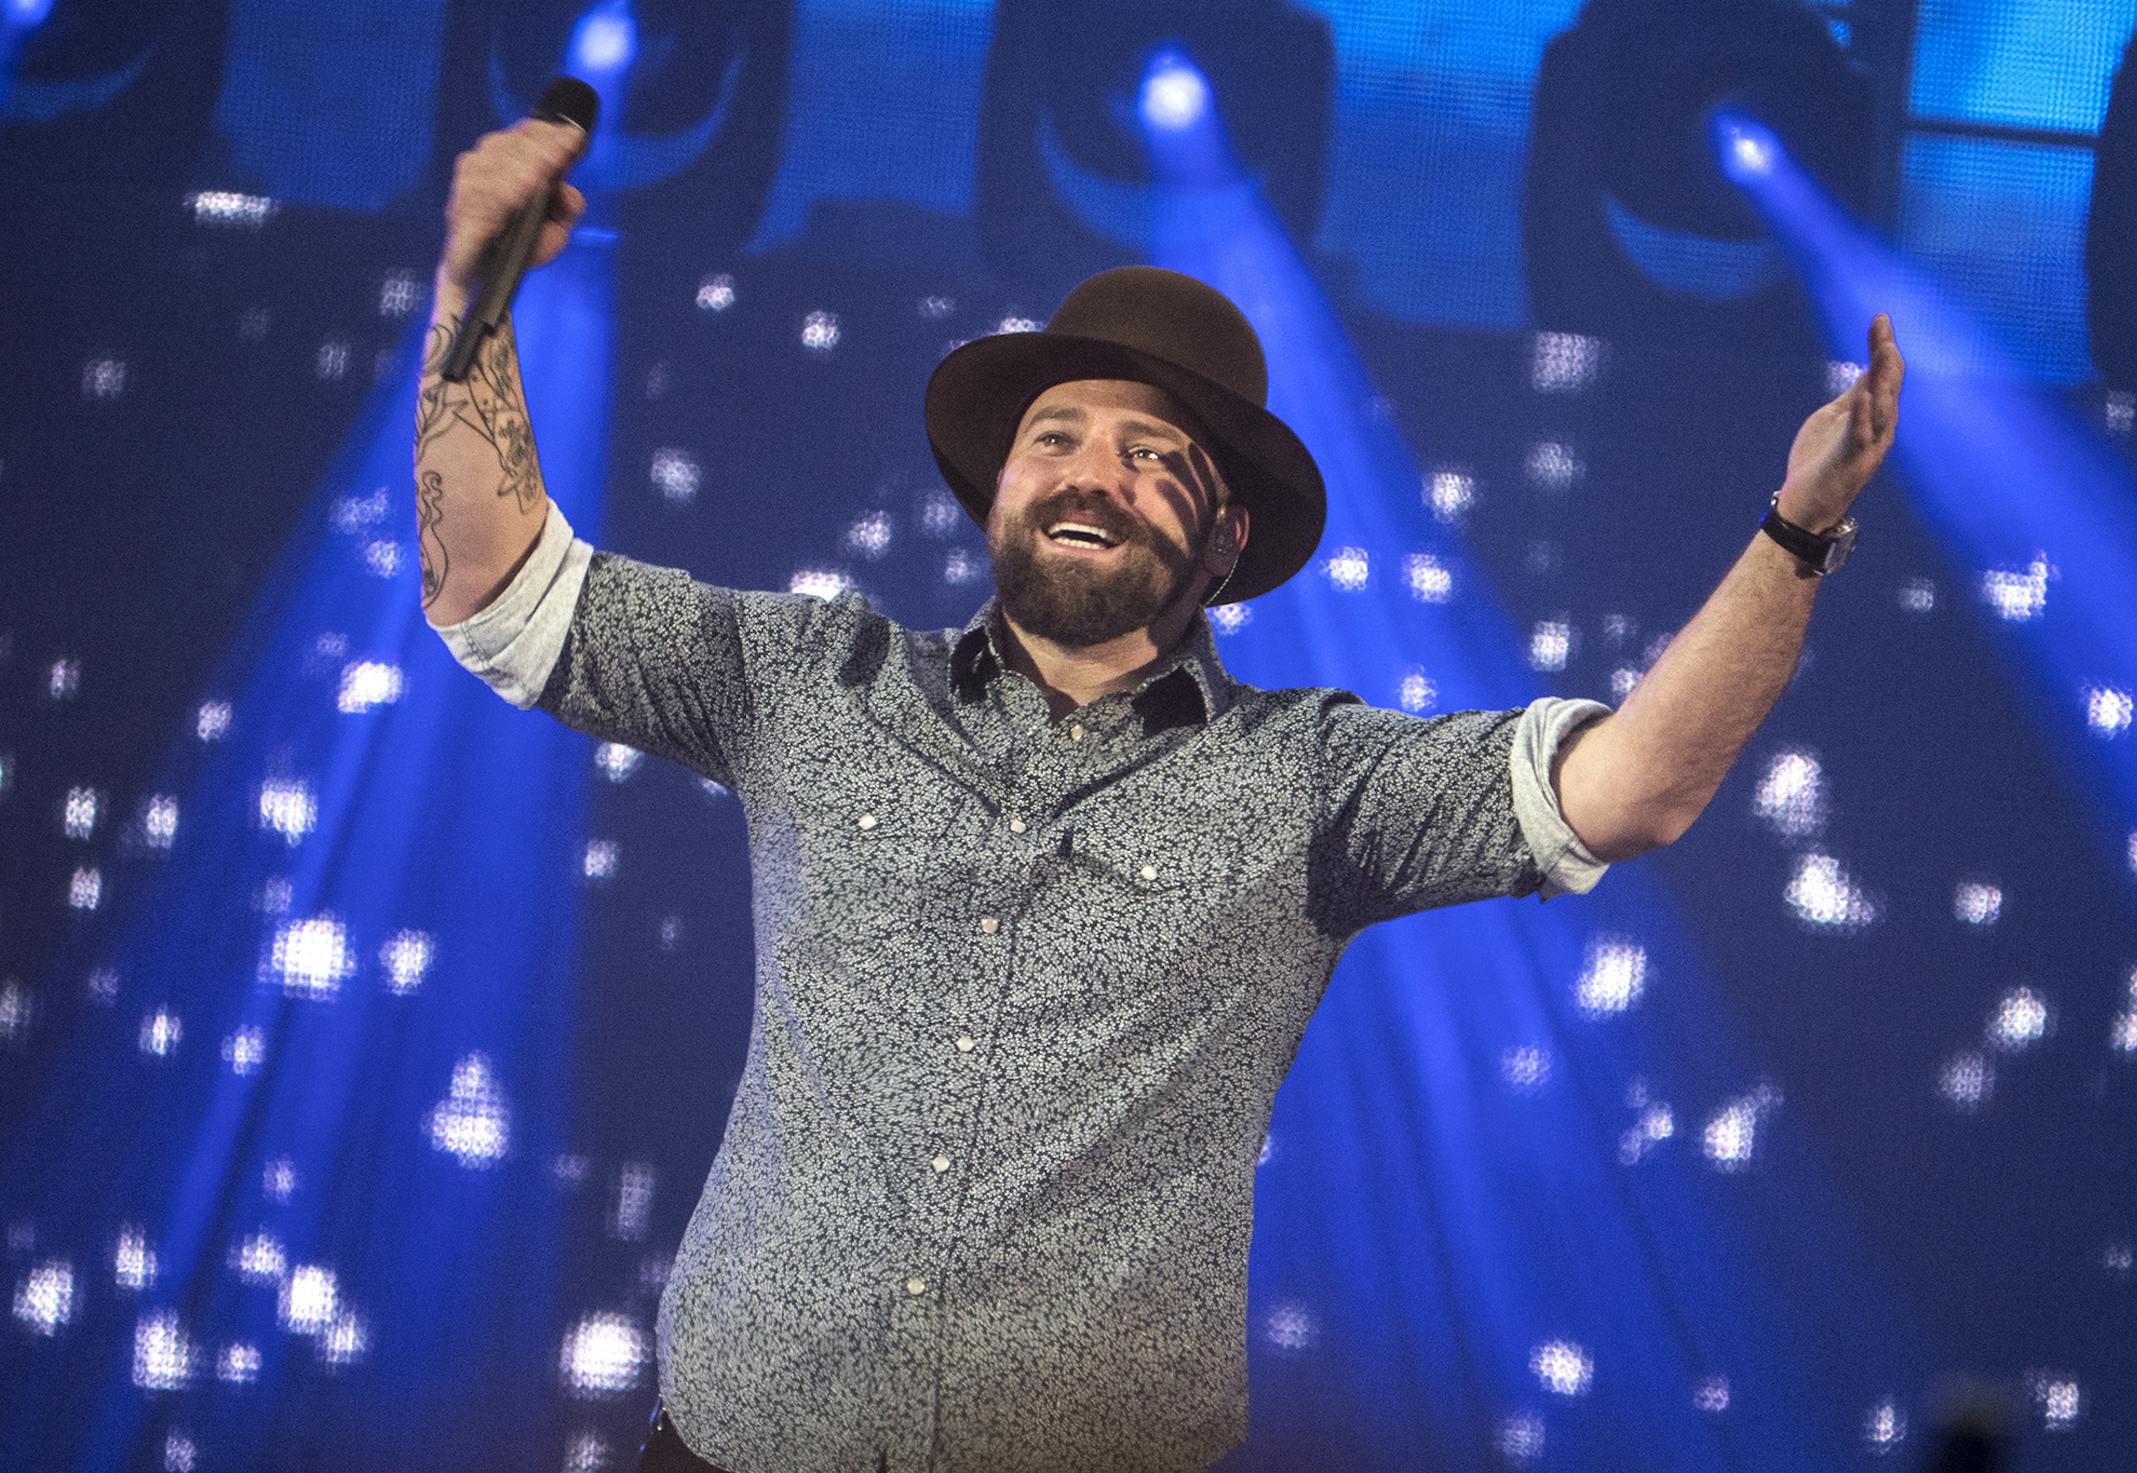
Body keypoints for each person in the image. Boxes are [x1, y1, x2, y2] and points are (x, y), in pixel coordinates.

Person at [419, 121, 1902, 1473]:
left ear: (1224, 535)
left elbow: (1630, 788)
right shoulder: (816, 681)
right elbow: (497, 592)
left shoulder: (1311, 775)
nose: (1089, 473)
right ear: (1000, 487)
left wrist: (1800, 526)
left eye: (1150, 457)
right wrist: (474, 290)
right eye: (1053, 438)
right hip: (740, 1443)